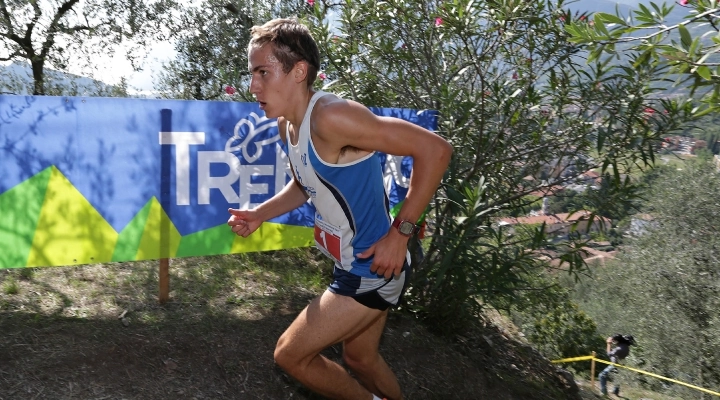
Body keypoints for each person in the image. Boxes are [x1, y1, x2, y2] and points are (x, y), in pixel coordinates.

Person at [227, 17, 452, 400]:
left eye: (263, 72)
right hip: (352, 262)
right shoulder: (287, 126)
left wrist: (401, 234)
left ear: (299, 71)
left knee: (291, 355)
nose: (253, 85)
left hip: (372, 267)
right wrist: (260, 213)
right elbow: (305, 183)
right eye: (251, 74)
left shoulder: (332, 117)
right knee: (360, 360)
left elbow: (436, 149)